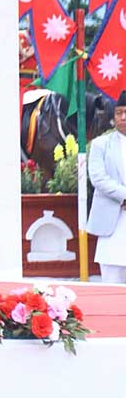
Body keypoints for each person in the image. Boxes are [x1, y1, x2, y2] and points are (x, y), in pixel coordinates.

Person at [88, 92, 126, 284]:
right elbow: (98, 178)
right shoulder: (100, 144)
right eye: (119, 113)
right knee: (112, 280)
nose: (123, 118)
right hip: (113, 219)